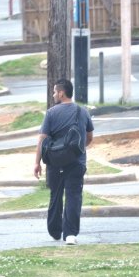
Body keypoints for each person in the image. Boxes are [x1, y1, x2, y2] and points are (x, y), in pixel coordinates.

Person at [33, 78, 94, 245]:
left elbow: (42, 139)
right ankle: (70, 234)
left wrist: (37, 162)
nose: (53, 94)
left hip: (54, 162)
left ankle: (54, 230)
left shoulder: (51, 113)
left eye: (54, 92)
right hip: (77, 162)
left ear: (61, 93)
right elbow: (89, 138)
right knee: (74, 195)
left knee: (56, 194)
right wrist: (78, 150)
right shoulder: (83, 112)